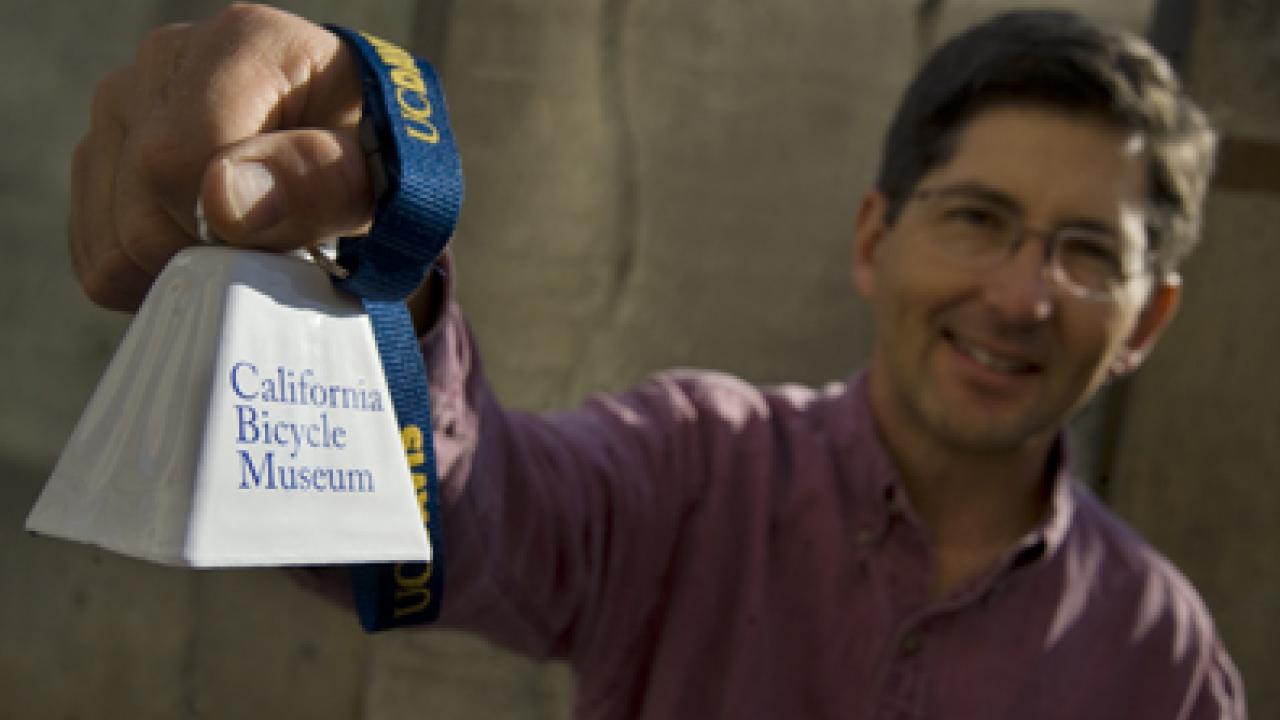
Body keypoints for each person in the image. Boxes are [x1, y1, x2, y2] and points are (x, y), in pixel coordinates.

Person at [70, 4, 1246, 719]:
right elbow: (463, 516)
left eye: (1089, 253)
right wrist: (373, 267)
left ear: (1147, 320)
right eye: (977, 218)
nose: (1022, 295)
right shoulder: (695, 472)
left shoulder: (1164, 656)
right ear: (872, 241)